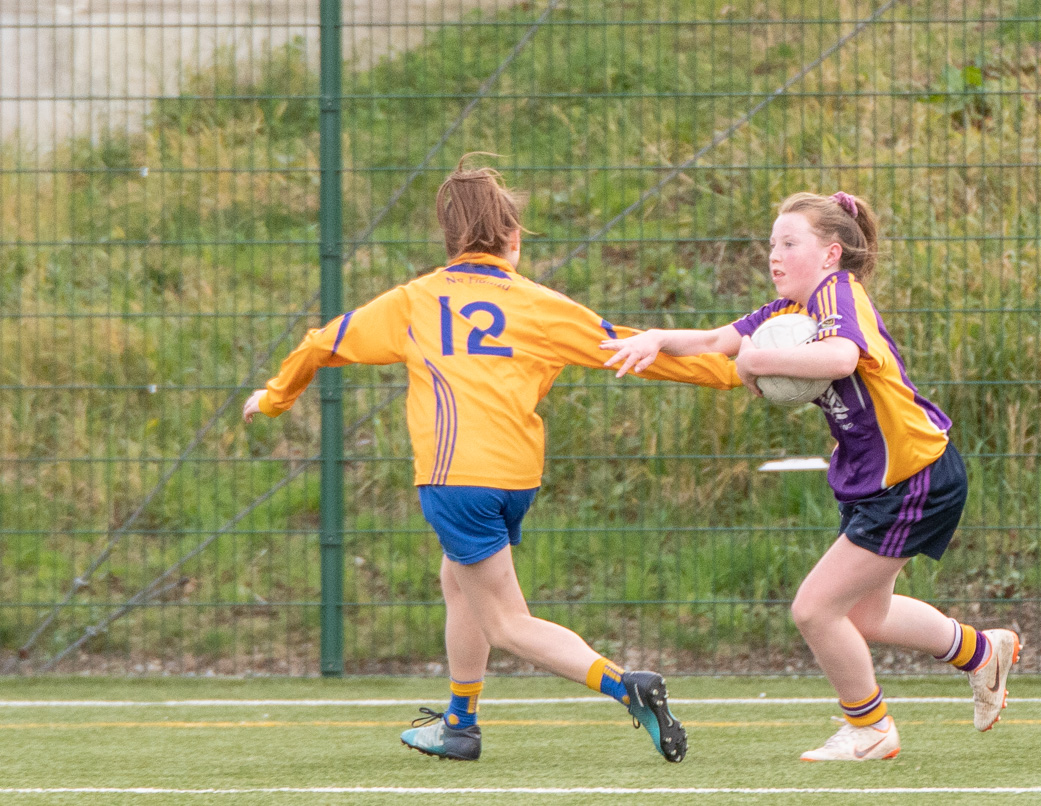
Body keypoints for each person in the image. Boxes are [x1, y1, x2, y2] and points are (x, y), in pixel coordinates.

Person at [243, 154, 741, 763]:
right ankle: (460, 721)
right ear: (512, 239)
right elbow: (637, 351)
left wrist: (273, 398)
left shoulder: (416, 300)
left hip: (455, 479)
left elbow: (321, 344)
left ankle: (625, 685)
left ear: (450, 242)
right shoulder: (541, 304)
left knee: (508, 623)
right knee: (459, 583)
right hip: (515, 479)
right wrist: (736, 372)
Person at [601, 190, 1020, 761]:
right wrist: (655, 338)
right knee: (865, 613)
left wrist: (756, 362)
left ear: (830, 253)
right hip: (882, 478)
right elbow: (717, 342)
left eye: (789, 243)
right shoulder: (784, 312)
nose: (774, 256)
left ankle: (870, 728)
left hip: (912, 474)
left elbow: (841, 357)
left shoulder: (837, 293)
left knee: (814, 608)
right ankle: (979, 652)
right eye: (771, 244)